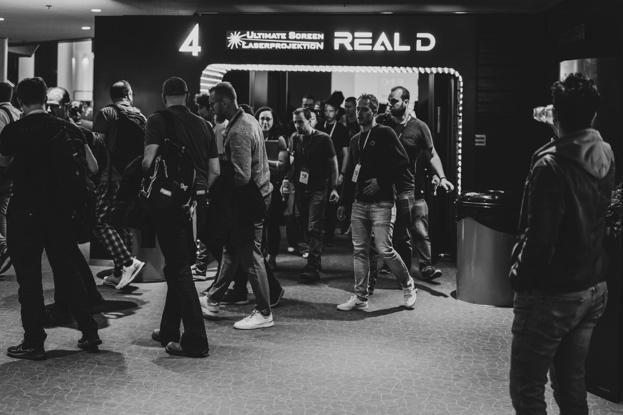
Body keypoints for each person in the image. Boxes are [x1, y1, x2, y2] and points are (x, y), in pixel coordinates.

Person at [508, 73, 615, 414]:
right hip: (593, 286)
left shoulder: (550, 165)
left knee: (527, 389)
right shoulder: (606, 153)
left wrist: (519, 276)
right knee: (571, 387)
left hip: (552, 292)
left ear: (556, 116)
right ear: (593, 116)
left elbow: (541, 238)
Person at [0, 77, 102, 360]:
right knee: (68, 272)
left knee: (29, 279)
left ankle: (34, 341)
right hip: (60, 212)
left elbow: (3, 165)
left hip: (25, 211)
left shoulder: (13, 131)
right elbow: (92, 167)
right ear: (45, 98)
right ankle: (89, 331)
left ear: (20, 101)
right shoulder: (69, 129)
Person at [142, 76, 218, 357]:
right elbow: (216, 171)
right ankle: (169, 329)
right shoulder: (204, 124)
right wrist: (198, 193)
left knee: (178, 268)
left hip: (170, 204)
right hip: (197, 202)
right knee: (180, 263)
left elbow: (149, 161)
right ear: (186, 95)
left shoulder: (157, 120)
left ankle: (196, 339)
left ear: (164, 95)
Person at [200, 82, 275, 330]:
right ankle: (213, 299)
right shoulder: (248, 120)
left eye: (212, 104)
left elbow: (241, 176)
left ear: (224, 102)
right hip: (256, 195)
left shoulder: (238, 130)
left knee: (250, 256)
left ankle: (264, 312)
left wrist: (219, 178)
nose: (211, 109)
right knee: (231, 251)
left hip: (248, 200)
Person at [336, 93, 417, 311]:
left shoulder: (385, 133)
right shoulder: (355, 140)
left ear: (373, 111)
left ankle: (408, 285)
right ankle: (361, 297)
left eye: (363, 109)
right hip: (359, 203)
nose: (358, 113)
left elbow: (403, 162)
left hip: (382, 202)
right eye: (357, 109)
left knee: (384, 248)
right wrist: (344, 203)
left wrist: (381, 181)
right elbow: (351, 172)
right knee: (359, 250)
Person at [43, 86, 104, 325]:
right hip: (70, 201)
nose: (49, 109)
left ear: (66, 106)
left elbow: (93, 166)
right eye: (47, 105)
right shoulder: (71, 130)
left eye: (54, 106)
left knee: (63, 256)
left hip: (67, 204)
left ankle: (69, 308)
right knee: (68, 253)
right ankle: (88, 298)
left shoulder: (71, 131)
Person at [379, 86, 454, 281]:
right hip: (389, 188)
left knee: (420, 229)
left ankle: (426, 267)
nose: (390, 104)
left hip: (415, 186)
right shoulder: (384, 126)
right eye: (389, 100)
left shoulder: (419, 127)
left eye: (394, 101)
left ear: (405, 102)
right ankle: (398, 269)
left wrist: (443, 177)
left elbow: (432, 154)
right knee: (397, 232)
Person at [92, 80, 145, 289]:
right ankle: (118, 272)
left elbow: (98, 145)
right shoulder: (140, 116)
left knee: (100, 221)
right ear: (129, 93)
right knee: (121, 221)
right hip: (131, 178)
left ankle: (127, 263)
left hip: (109, 176)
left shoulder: (106, 113)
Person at [282, 108, 340, 282]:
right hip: (301, 187)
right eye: (295, 122)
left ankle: (313, 265)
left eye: (300, 121)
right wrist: (287, 179)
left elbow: (333, 164)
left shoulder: (323, 139)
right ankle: (315, 258)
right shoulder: (294, 138)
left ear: (310, 120)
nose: (297, 125)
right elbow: (293, 163)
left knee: (314, 225)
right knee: (303, 222)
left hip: (318, 188)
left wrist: (334, 187)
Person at [256, 106, 289, 269]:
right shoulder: (254, 136)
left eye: (268, 119)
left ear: (274, 121)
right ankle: (261, 255)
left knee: (273, 223)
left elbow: (282, 166)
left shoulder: (280, 139)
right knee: (258, 223)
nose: (265, 122)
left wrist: (261, 161)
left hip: (274, 186)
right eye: (262, 118)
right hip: (257, 186)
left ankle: (273, 257)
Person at [319, 99, 350, 245]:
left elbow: (346, 153)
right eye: (326, 110)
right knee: (320, 202)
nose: (328, 113)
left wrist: (342, 173)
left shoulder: (342, 130)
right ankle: (320, 233)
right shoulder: (320, 127)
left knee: (332, 203)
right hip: (320, 170)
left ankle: (329, 235)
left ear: (336, 112)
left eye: (331, 111)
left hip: (335, 170)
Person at [0, 81, 21, 275]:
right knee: (2, 212)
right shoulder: (17, 113)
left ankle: (3, 247)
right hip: (13, 170)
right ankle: (4, 251)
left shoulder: (0, 114)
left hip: (1, 167)